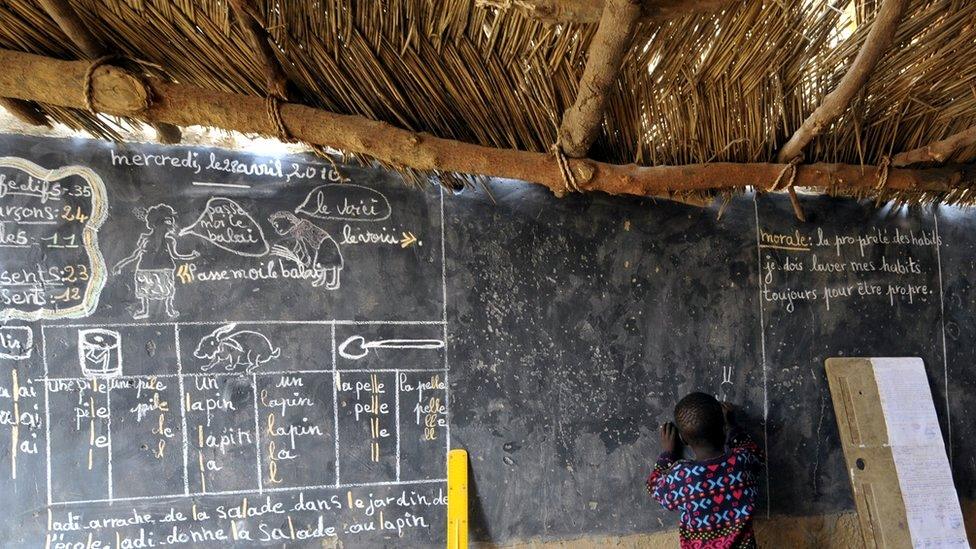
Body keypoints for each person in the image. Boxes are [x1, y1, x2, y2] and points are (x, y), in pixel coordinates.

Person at [646, 393, 763, 548]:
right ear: (723, 429)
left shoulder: (681, 478)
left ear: (683, 439)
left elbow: (654, 486)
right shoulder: (743, 462)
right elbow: (756, 455)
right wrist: (733, 428)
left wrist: (668, 454)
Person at [113, 204, 198, 319]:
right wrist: (120, 265)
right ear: (157, 224)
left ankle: (168, 308)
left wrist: (191, 256)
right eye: (167, 223)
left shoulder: (169, 240)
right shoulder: (146, 238)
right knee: (146, 291)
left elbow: (175, 256)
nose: (171, 226)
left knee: (167, 290)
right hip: (147, 268)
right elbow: (136, 254)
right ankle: (147, 310)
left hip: (162, 268)